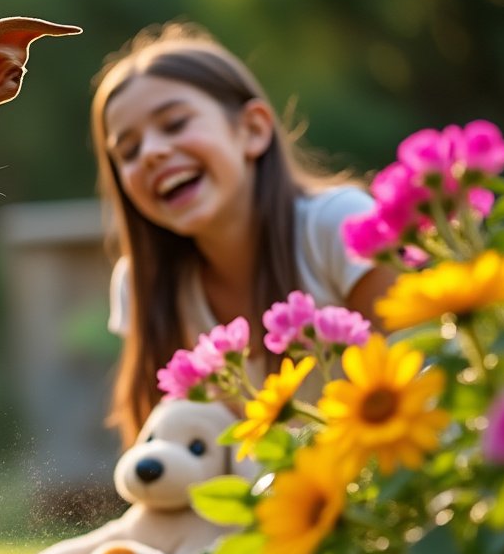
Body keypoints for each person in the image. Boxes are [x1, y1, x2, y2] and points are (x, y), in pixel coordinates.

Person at [95, 22, 395, 448]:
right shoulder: (139, 282)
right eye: (128, 151)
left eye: (175, 124)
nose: (153, 152)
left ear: (252, 129)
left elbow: (414, 371)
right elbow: (173, 455)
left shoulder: (338, 225)